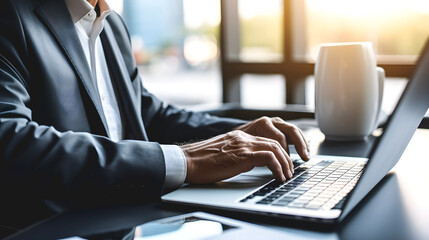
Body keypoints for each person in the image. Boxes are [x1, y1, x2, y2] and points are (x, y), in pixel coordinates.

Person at [0, 0, 310, 229]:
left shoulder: (112, 25)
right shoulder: (10, 13)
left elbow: (148, 114)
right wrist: (185, 161)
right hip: (54, 227)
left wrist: (244, 134)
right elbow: (10, 141)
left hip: (127, 220)